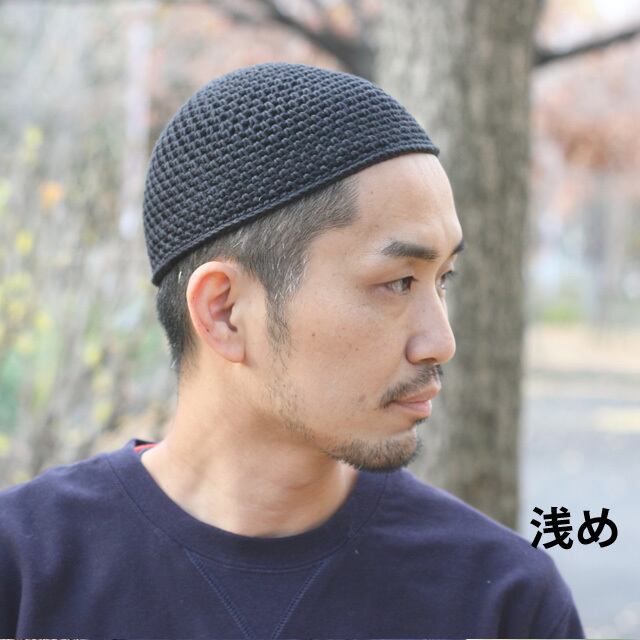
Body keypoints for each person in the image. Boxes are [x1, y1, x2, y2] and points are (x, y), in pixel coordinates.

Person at [0, 62, 585, 638]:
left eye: (443, 279)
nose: (442, 342)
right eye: (398, 282)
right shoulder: (24, 571)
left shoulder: (500, 601)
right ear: (224, 312)